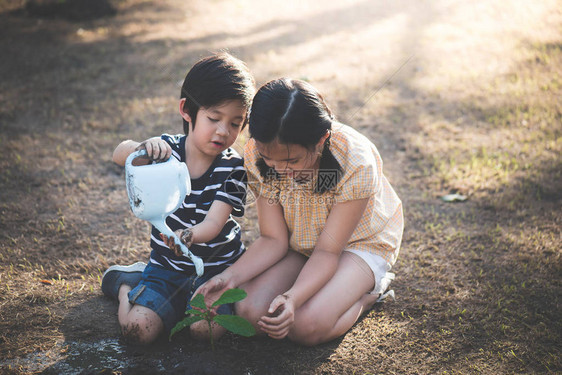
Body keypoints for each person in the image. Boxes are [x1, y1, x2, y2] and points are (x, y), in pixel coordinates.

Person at [196, 78, 403, 346]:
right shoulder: (258, 152)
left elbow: (328, 251)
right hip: (302, 242)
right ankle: (325, 289)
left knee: (305, 325)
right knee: (251, 312)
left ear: (321, 140)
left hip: (357, 244)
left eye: (291, 160)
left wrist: (292, 297)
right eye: (269, 158)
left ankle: (371, 293)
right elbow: (274, 239)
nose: (280, 169)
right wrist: (229, 277)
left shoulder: (355, 163)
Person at [101, 52, 255, 345]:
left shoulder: (234, 168)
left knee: (204, 331)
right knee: (138, 331)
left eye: (235, 123)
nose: (223, 131)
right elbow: (120, 153)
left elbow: (213, 223)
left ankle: (180, 304)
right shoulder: (166, 150)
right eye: (213, 118)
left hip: (215, 270)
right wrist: (143, 147)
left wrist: (187, 235)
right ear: (187, 110)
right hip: (165, 268)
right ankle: (126, 287)